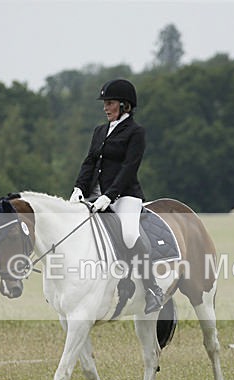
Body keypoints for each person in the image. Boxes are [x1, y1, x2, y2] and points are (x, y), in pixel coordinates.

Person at [69, 78, 164, 314]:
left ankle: (152, 289)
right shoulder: (100, 131)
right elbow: (90, 161)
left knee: (130, 235)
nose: (105, 107)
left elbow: (129, 167)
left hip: (125, 197)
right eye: (105, 103)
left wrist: (110, 196)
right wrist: (79, 188)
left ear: (124, 105)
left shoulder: (135, 132)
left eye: (109, 103)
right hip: (95, 195)